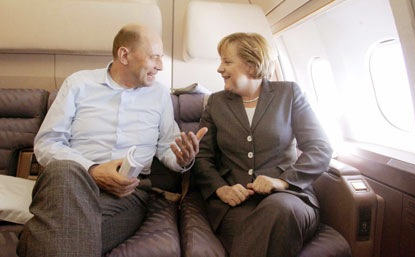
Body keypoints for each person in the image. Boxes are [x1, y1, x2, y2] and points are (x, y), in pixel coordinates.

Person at [17, 23, 207, 257]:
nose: (160, 66)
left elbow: (166, 147)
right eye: (154, 57)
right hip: (70, 183)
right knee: (64, 170)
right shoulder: (79, 84)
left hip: (127, 193)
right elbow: (46, 144)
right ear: (124, 55)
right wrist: (93, 170)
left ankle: (33, 239)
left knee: (53, 234)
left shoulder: (159, 94)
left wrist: (182, 159)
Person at [194, 32, 333, 257]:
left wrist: (282, 182)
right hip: (237, 203)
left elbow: (320, 148)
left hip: (290, 198)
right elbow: (202, 157)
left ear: (251, 65)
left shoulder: (289, 93)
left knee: (279, 211)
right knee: (257, 231)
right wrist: (221, 188)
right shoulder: (216, 103)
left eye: (227, 61)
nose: (219, 69)